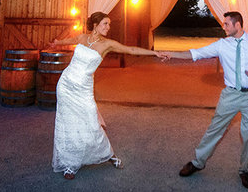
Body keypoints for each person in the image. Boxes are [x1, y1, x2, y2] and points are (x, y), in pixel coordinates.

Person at [162, 11, 248, 188]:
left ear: (237, 25)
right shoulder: (222, 45)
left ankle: (245, 170)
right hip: (230, 94)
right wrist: (171, 54)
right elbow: (196, 54)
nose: (224, 27)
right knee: (215, 129)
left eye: (226, 24)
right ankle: (198, 162)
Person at [48, 11, 166, 180]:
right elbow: (69, 41)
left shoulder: (108, 44)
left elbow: (131, 49)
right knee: (68, 124)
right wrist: (57, 42)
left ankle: (109, 155)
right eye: (105, 24)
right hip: (66, 85)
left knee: (91, 123)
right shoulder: (82, 38)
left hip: (83, 89)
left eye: (109, 24)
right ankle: (70, 164)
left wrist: (155, 53)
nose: (108, 27)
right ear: (95, 25)